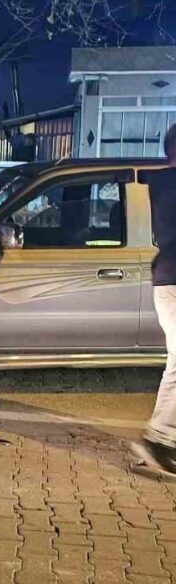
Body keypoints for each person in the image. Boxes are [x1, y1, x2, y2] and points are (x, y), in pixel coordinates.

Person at [134, 124, 176, 472]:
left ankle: (161, 440)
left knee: (175, 366)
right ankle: (160, 440)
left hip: (166, 281)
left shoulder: (160, 183)